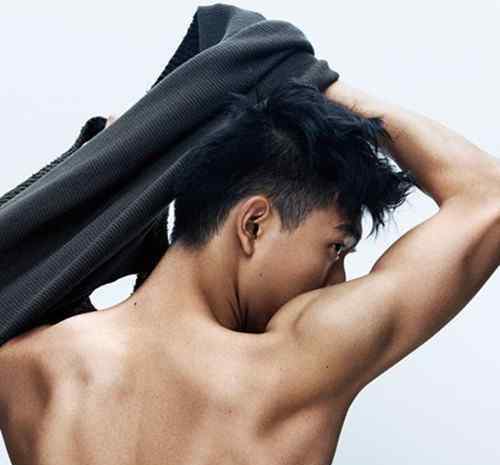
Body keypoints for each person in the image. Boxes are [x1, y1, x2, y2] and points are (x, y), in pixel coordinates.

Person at [0, 78, 498, 465]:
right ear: (254, 224)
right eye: (334, 248)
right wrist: (314, 79)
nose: (339, 280)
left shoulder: (27, 365)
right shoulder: (293, 370)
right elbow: (488, 197)